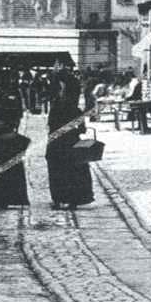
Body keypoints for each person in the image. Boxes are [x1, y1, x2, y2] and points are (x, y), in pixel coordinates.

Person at [46, 71, 94, 209]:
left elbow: (52, 125)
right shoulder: (74, 109)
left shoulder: (57, 107)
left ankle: (59, 199)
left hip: (57, 144)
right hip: (71, 143)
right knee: (73, 171)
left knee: (58, 171)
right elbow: (82, 128)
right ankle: (73, 199)